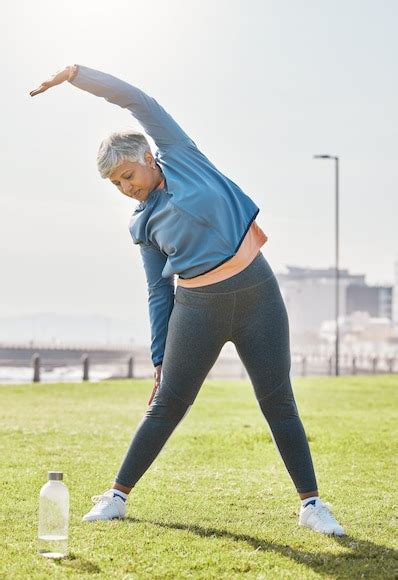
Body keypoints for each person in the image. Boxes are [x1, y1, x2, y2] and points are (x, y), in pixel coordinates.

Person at [30, 65, 345, 535]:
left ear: (148, 157)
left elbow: (137, 100)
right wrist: (159, 356)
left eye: (127, 174)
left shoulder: (180, 155)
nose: (126, 187)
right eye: (116, 184)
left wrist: (77, 75)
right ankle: (116, 496)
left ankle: (312, 505)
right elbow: (159, 291)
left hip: (258, 294)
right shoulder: (142, 223)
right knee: (167, 402)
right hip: (198, 310)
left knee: (278, 400)